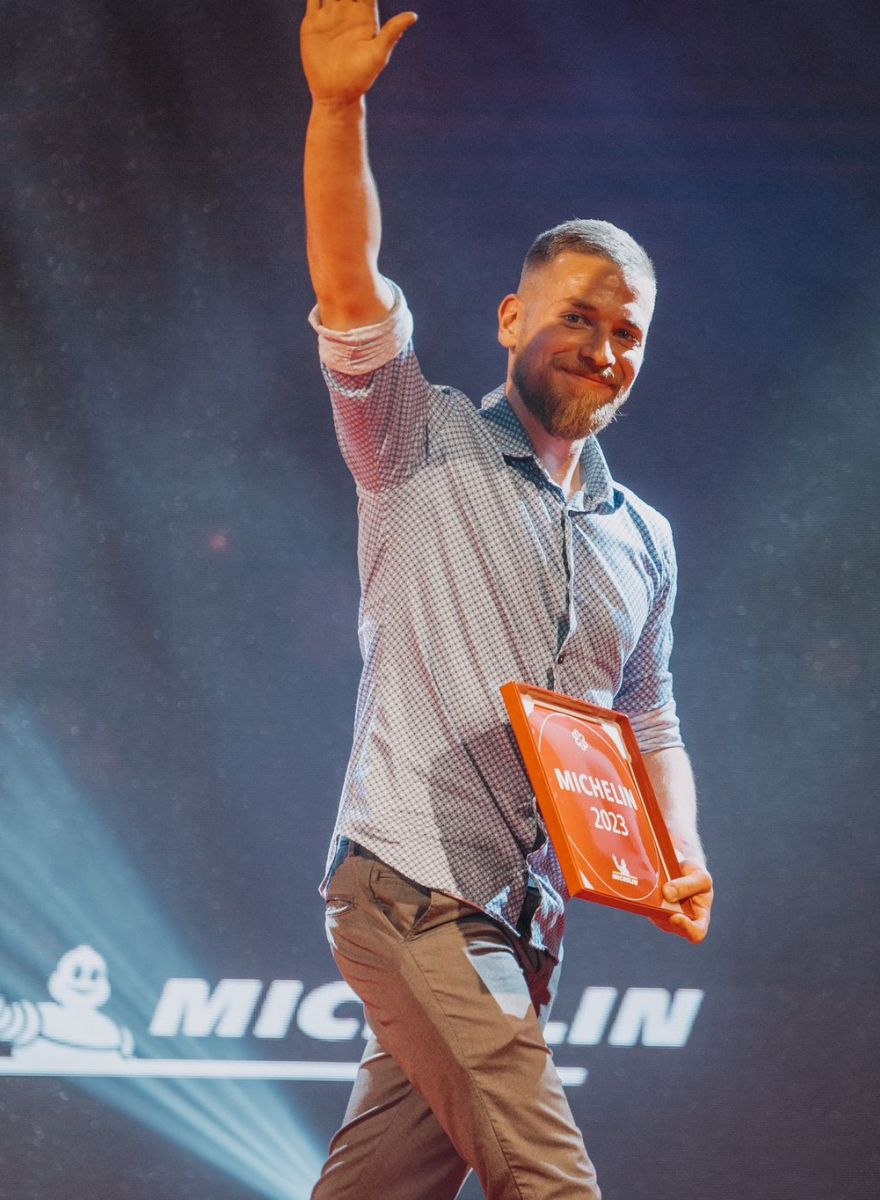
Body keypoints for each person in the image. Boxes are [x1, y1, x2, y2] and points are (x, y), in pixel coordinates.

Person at [301, 3, 714, 1197]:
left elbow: (648, 719)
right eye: (577, 316)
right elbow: (349, 282)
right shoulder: (415, 442)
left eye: (627, 332)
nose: (603, 348)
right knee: (551, 1179)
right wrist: (338, 109)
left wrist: (679, 851)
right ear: (511, 318)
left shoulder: (645, 539)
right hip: (408, 888)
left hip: (519, 923)